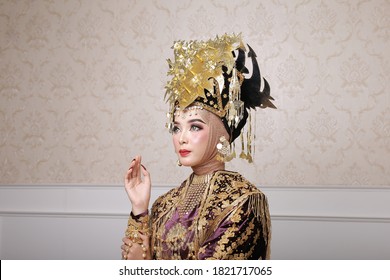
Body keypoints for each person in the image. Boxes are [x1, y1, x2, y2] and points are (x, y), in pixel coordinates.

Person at [121, 34, 275, 260]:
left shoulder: (242, 201)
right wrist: (139, 208)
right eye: (176, 128)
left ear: (220, 134)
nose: (181, 138)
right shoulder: (164, 204)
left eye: (194, 127)